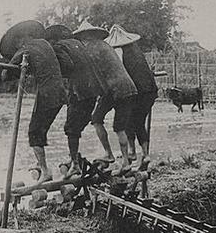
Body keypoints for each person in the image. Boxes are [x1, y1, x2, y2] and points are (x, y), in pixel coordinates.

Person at [0, 20, 66, 184]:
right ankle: (40, 163)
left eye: (16, 42)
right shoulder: (45, 44)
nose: (16, 45)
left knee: (34, 133)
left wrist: (15, 67)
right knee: (41, 130)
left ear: (22, 38)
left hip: (47, 93)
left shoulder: (25, 49)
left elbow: (5, 75)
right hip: (60, 93)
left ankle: (45, 171)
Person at [73, 20, 137, 176]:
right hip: (128, 87)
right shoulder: (105, 45)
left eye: (83, 37)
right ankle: (124, 161)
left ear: (86, 36)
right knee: (110, 123)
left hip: (114, 89)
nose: (82, 40)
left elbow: (86, 73)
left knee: (100, 120)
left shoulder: (90, 49)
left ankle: (112, 156)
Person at [44, 24, 103, 177]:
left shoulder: (58, 47)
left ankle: (75, 164)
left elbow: (68, 67)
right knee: (76, 127)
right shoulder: (78, 45)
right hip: (93, 90)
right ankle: (74, 158)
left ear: (52, 40)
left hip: (80, 91)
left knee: (71, 128)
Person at [105, 24, 157, 170]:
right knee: (139, 121)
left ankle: (133, 152)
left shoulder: (119, 51)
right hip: (150, 91)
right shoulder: (137, 51)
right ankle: (144, 154)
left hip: (137, 92)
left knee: (128, 121)